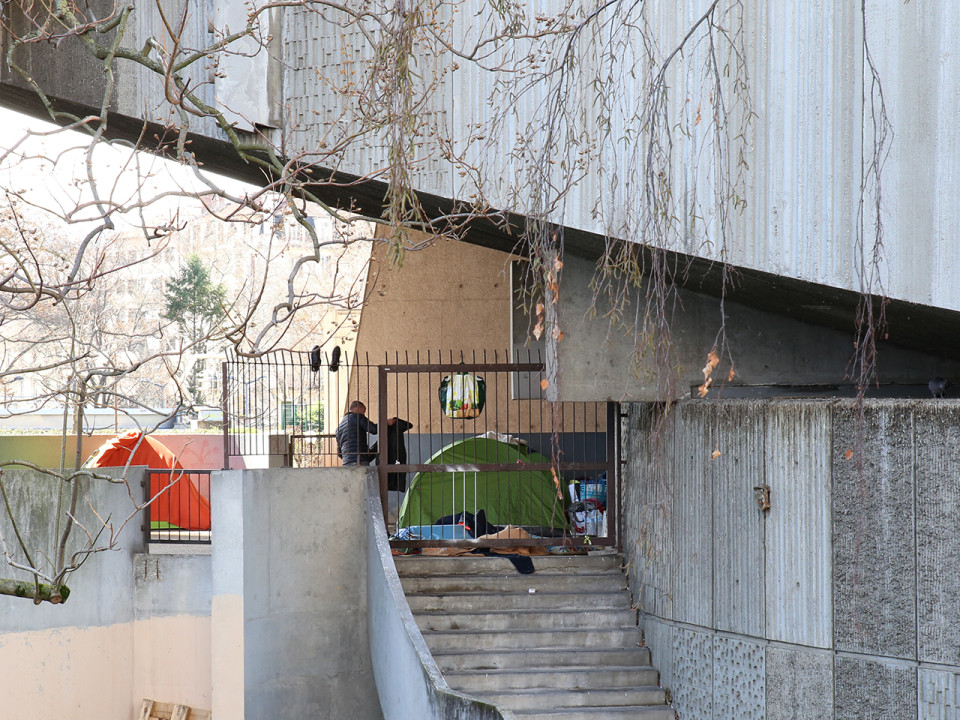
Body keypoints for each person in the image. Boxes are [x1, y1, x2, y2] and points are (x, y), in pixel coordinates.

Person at [336, 401, 395, 466]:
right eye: (363, 411)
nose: (364, 414)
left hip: (346, 463)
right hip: (359, 460)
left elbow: (339, 453)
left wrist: (348, 458)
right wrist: (386, 423)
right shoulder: (358, 417)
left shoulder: (339, 428)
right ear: (357, 409)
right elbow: (374, 429)